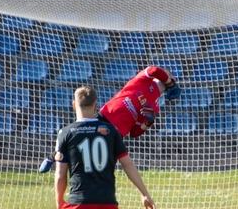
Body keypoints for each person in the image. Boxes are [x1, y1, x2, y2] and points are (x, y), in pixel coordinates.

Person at [38, 65, 181, 172]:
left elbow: (134, 133)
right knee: (77, 142)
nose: (167, 74)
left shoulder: (155, 108)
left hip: (116, 133)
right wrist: (170, 82)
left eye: (169, 74)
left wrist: (149, 122)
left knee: (98, 163)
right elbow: (155, 70)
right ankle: (54, 156)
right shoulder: (144, 80)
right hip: (105, 116)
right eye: (167, 73)